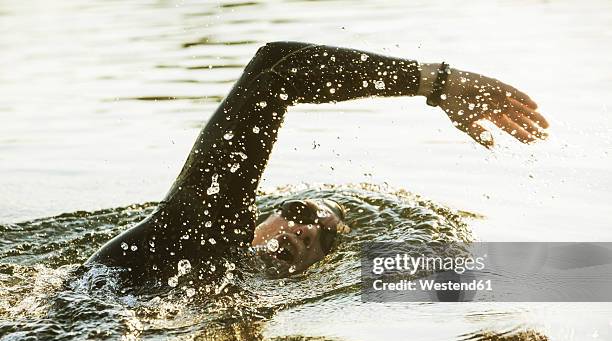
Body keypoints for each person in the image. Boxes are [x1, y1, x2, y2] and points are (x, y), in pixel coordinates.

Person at [85, 41, 549, 285]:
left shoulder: (222, 274)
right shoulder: (202, 229)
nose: (306, 231)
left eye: (324, 239)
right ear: (260, 219)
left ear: (320, 267)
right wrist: (436, 83)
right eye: (304, 214)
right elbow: (275, 69)